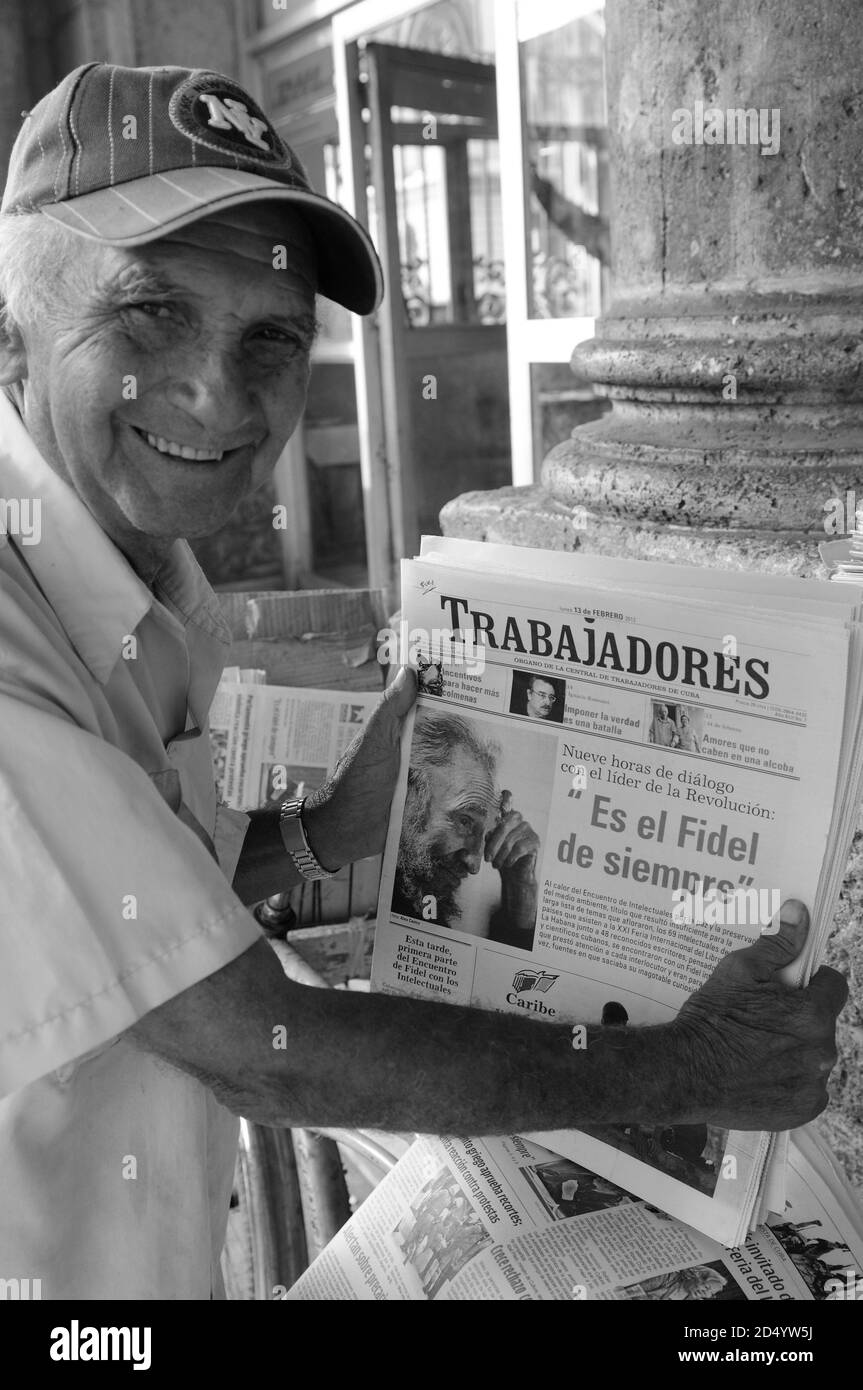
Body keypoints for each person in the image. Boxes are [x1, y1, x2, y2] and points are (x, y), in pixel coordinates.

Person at [0, 62, 846, 1301]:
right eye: (149, 315)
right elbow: (265, 1054)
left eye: (270, 337)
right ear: (10, 332)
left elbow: (127, 918)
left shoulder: (147, 582)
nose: (216, 395)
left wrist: (314, 836)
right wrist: (692, 1069)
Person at [391, 710, 540, 947]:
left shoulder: (419, 904)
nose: (474, 865)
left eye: (487, 834)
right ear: (407, 794)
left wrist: (520, 892)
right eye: (464, 821)